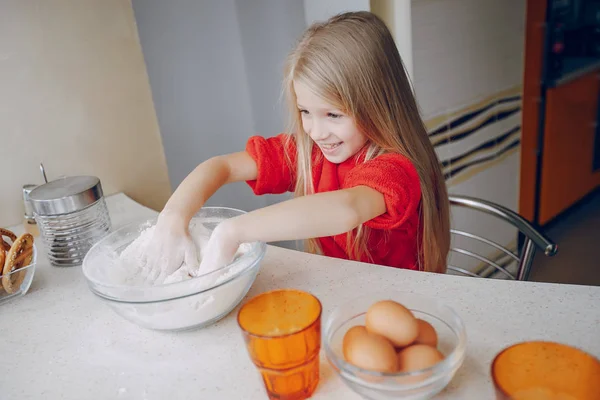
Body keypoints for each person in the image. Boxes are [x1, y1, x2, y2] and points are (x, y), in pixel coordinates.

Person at [141, 11, 450, 284]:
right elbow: (222, 167)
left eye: (333, 114)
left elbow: (347, 208)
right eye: (305, 112)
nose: (316, 131)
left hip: (404, 300)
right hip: (343, 291)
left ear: (377, 105)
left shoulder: (396, 169)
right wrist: (173, 216)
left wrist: (232, 232)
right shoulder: (309, 152)